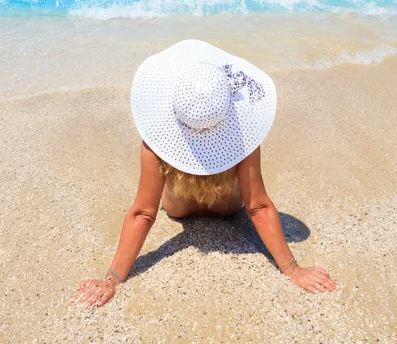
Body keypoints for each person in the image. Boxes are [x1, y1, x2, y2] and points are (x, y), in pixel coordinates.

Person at [71, 39, 339, 308]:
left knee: (160, 187)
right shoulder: (243, 140)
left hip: (177, 210)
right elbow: (257, 207)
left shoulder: (155, 142)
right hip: (228, 209)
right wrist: (293, 270)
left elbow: (143, 214)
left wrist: (112, 278)